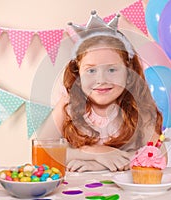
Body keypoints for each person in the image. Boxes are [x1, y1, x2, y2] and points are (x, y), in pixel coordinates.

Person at [51, 11, 164, 172]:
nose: (101, 79)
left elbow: (158, 156)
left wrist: (98, 165)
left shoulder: (138, 106)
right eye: (91, 71)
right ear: (78, 74)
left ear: (128, 72)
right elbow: (43, 152)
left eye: (112, 69)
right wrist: (93, 153)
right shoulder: (67, 105)